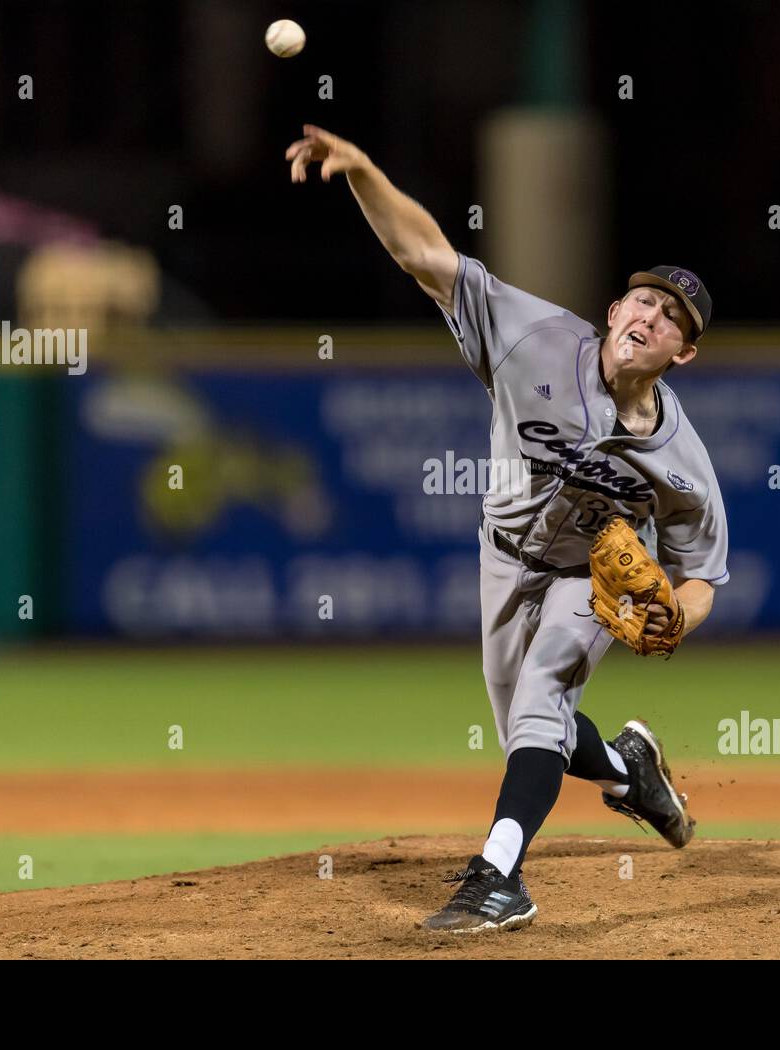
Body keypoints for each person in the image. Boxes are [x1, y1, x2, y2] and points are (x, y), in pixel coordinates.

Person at [286, 125, 730, 933]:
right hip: (501, 559)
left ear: (684, 353)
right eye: (644, 299)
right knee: (536, 735)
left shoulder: (682, 460)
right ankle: (632, 771)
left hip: (583, 580)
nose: (652, 315)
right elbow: (426, 256)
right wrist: (363, 172)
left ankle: (498, 878)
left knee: (542, 703)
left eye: (673, 317)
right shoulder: (533, 337)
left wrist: (677, 616)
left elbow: (703, 575)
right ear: (613, 309)